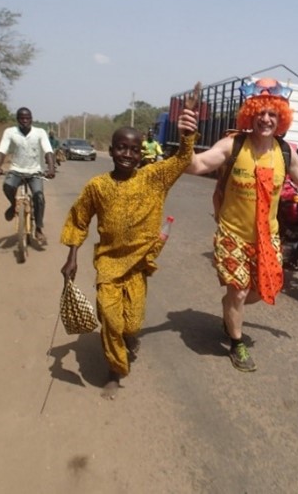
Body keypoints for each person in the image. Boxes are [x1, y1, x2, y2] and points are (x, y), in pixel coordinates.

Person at [183, 78, 298, 372]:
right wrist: (186, 136)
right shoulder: (233, 145)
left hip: (267, 237)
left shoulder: (285, 153)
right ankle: (236, 343)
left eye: (272, 113)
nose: (266, 119)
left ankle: (230, 310)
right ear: (250, 114)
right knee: (240, 291)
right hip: (233, 235)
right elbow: (195, 165)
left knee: (265, 288)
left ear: (280, 117)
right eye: (260, 112)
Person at [59, 122, 195, 399]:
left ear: (141, 154)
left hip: (137, 264)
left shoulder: (154, 178)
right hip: (108, 264)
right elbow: (79, 219)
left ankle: (130, 339)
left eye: (134, 150)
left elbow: (182, 158)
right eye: (121, 148)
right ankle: (115, 370)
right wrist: (71, 257)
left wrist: (188, 134)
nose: (127, 154)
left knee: (131, 325)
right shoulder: (97, 186)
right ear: (111, 151)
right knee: (111, 320)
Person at [0, 107, 56, 244]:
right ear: (17, 120)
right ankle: (13, 204)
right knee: (7, 186)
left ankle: (38, 228)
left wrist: (51, 169)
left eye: (27, 118)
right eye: (22, 118)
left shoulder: (40, 132)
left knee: (38, 196)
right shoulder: (10, 132)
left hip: (35, 171)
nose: (25, 121)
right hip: (16, 169)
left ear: (31, 119)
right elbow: (1, 151)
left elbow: (48, 151)